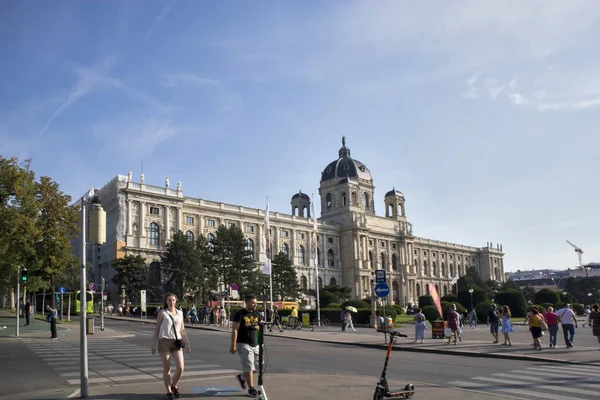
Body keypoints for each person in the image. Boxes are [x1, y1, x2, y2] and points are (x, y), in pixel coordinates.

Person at [151, 293, 191, 400]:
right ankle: (169, 391)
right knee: (167, 368)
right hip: (164, 342)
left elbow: (182, 329)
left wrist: (187, 343)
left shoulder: (180, 313)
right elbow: (157, 329)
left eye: (173, 300)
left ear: (176, 301)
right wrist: (154, 344)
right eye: (169, 300)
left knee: (181, 368)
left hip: (177, 342)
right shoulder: (162, 313)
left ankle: (173, 385)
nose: (171, 302)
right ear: (166, 301)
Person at [231, 294, 260, 398]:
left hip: (255, 343)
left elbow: (259, 326)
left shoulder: (256, 313)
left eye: (256, 302)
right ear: (247, 303)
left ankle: (242, 377)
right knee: (249, 368)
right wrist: (233, 345)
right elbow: (234, 329)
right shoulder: (240, 314)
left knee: (259, 366)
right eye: (253, 303)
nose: (255, 304)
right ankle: (251, 388)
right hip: (243, 343)